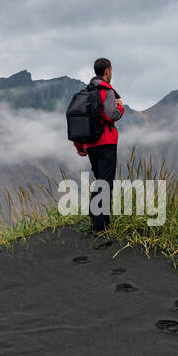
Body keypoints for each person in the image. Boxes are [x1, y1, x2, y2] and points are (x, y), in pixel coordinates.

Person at [73, 57, 124, 234]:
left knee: (101, 181)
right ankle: (99, 225)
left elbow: (79, 120)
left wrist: (80, 147)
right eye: (111, 69)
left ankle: (103, 222)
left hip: (90, 145)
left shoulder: (86, 93)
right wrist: (121, 108)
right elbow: (111, 115)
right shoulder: (106, 91)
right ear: (107, 70)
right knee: (105, 183)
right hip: (106, 143)